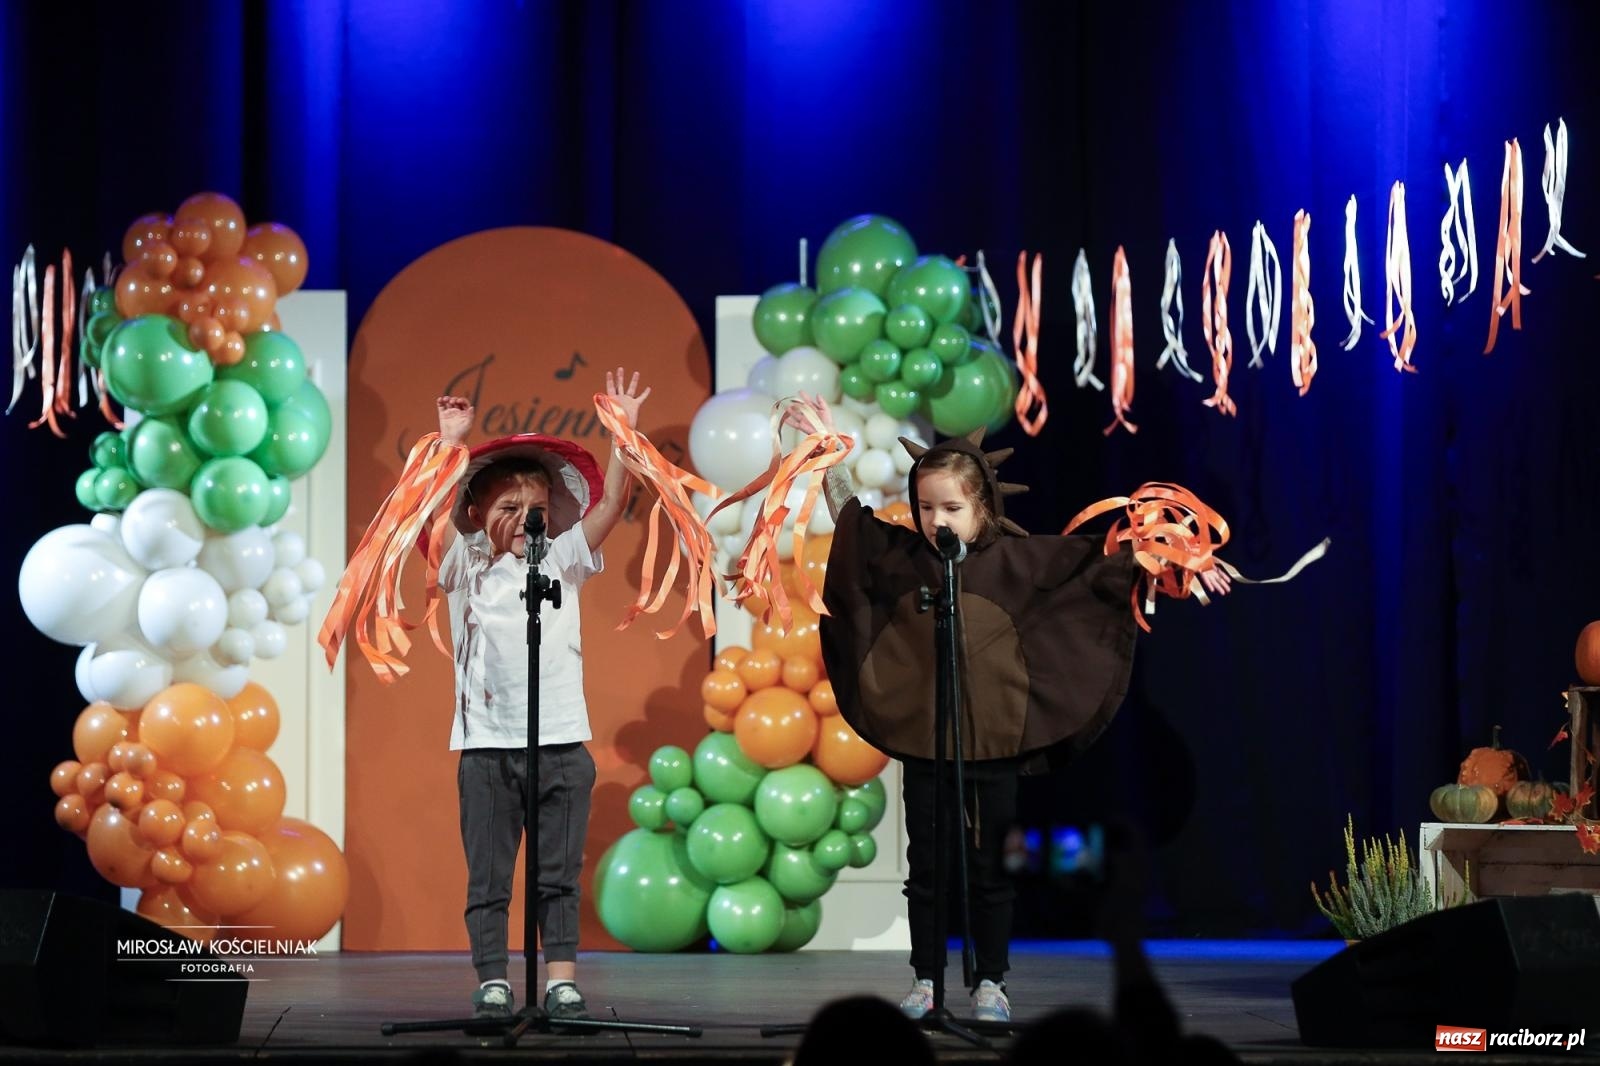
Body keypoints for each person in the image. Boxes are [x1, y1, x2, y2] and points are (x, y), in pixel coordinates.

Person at [782, 394, 1231, 1025]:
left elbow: (1098, 571)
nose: (938, 518)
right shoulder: (905, 558)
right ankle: (926, 980)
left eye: (952, 508)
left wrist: (1170, 556)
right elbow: (852, 522)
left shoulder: (1020, 561)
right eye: (927, 506)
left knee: (993, 864)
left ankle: (991, 979)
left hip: (992, 736)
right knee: (927, 868)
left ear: (983, 507)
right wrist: (830, 451)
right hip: (927, 738)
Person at [428, 368, 650, 1020]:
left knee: (558, 875)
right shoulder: (463, 564)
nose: (525, 520)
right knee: (490, 879)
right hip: (487, 749)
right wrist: (450, 442)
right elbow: (428, 512)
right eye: (506, 510)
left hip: (560, 744)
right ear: (476, 515)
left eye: (536, 511)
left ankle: (559, 980)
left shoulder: (559, 560)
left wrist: (622, 432)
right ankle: (493, 980)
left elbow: (611, 506)